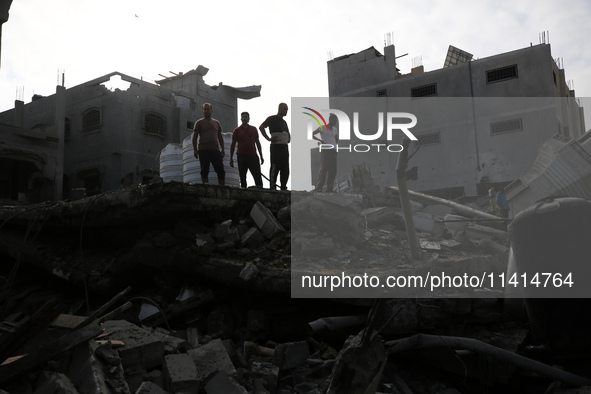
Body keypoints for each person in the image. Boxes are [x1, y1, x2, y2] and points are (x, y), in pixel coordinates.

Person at [192, 103, 225, 185]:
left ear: (211, 110)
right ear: (203, 111)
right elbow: (195, 137)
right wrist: (195, 150)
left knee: (221, 170)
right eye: (205, 109)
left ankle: (222, 188)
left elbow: (220, 137)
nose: (206, 110)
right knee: (204, 169)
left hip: (215, 150)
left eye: (208, 109)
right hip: (203, 150)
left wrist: (223, 149)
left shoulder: (216, 123)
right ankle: (205, 186)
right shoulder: (199, 123)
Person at [259, 103, 290, 190]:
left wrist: (288, 138)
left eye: (287, 109)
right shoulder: (272, 119)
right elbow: (261, 127)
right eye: (285, 109)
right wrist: (268, 138)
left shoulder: (284, 122)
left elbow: (287, 132)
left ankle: (283, 186)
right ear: (280, 109)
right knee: (275, 166)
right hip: (276, 147)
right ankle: (273, 186)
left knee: (285, 167)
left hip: (284, 147)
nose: (286, 111)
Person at [230, 111, 264, 188]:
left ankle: (260, 191)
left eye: (246, 117)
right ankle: (244, 192)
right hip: (242, 156)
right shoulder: (237, 130)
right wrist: (231, 158)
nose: (244, 118)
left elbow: (257, 142)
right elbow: (233, 145)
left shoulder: (253, 129)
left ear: (249, 118)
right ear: (241, 119)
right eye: (243, 117)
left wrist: (261, 156)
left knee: (257, 175)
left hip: (253, 155)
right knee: (242, 176)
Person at [312, 113, 339, 192]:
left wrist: (335, 141)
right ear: (330, 120)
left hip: (333, 150)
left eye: (336, 121)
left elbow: (336, 138)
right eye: (334, 121)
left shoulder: (335, 129)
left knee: (333, 170)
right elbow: (312, 134)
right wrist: (320, 141)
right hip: (326, 150)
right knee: (324, 169)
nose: (335, 122)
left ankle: (329, 188)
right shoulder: (322, 127)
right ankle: (319, 187)